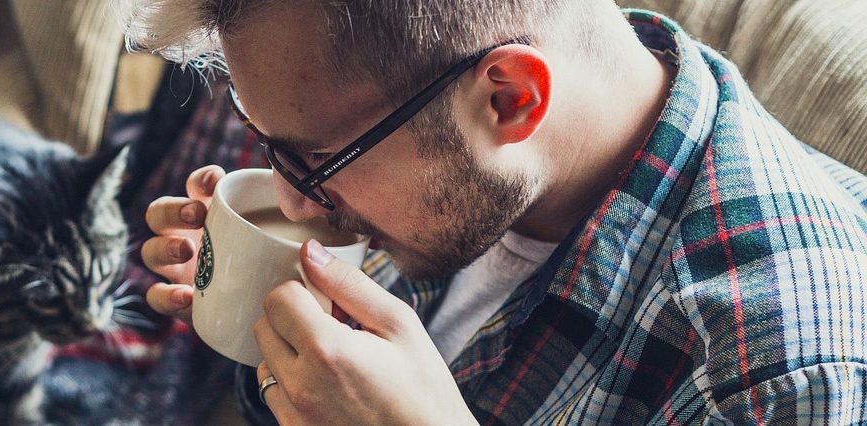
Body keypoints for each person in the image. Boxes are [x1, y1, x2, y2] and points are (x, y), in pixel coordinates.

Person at [125, 0, 867, 424]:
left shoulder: (781, 379)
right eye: (269, 147)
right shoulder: (474, 163)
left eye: (314, 160)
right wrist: (280, 331)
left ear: (512, 99)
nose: (288, 199)